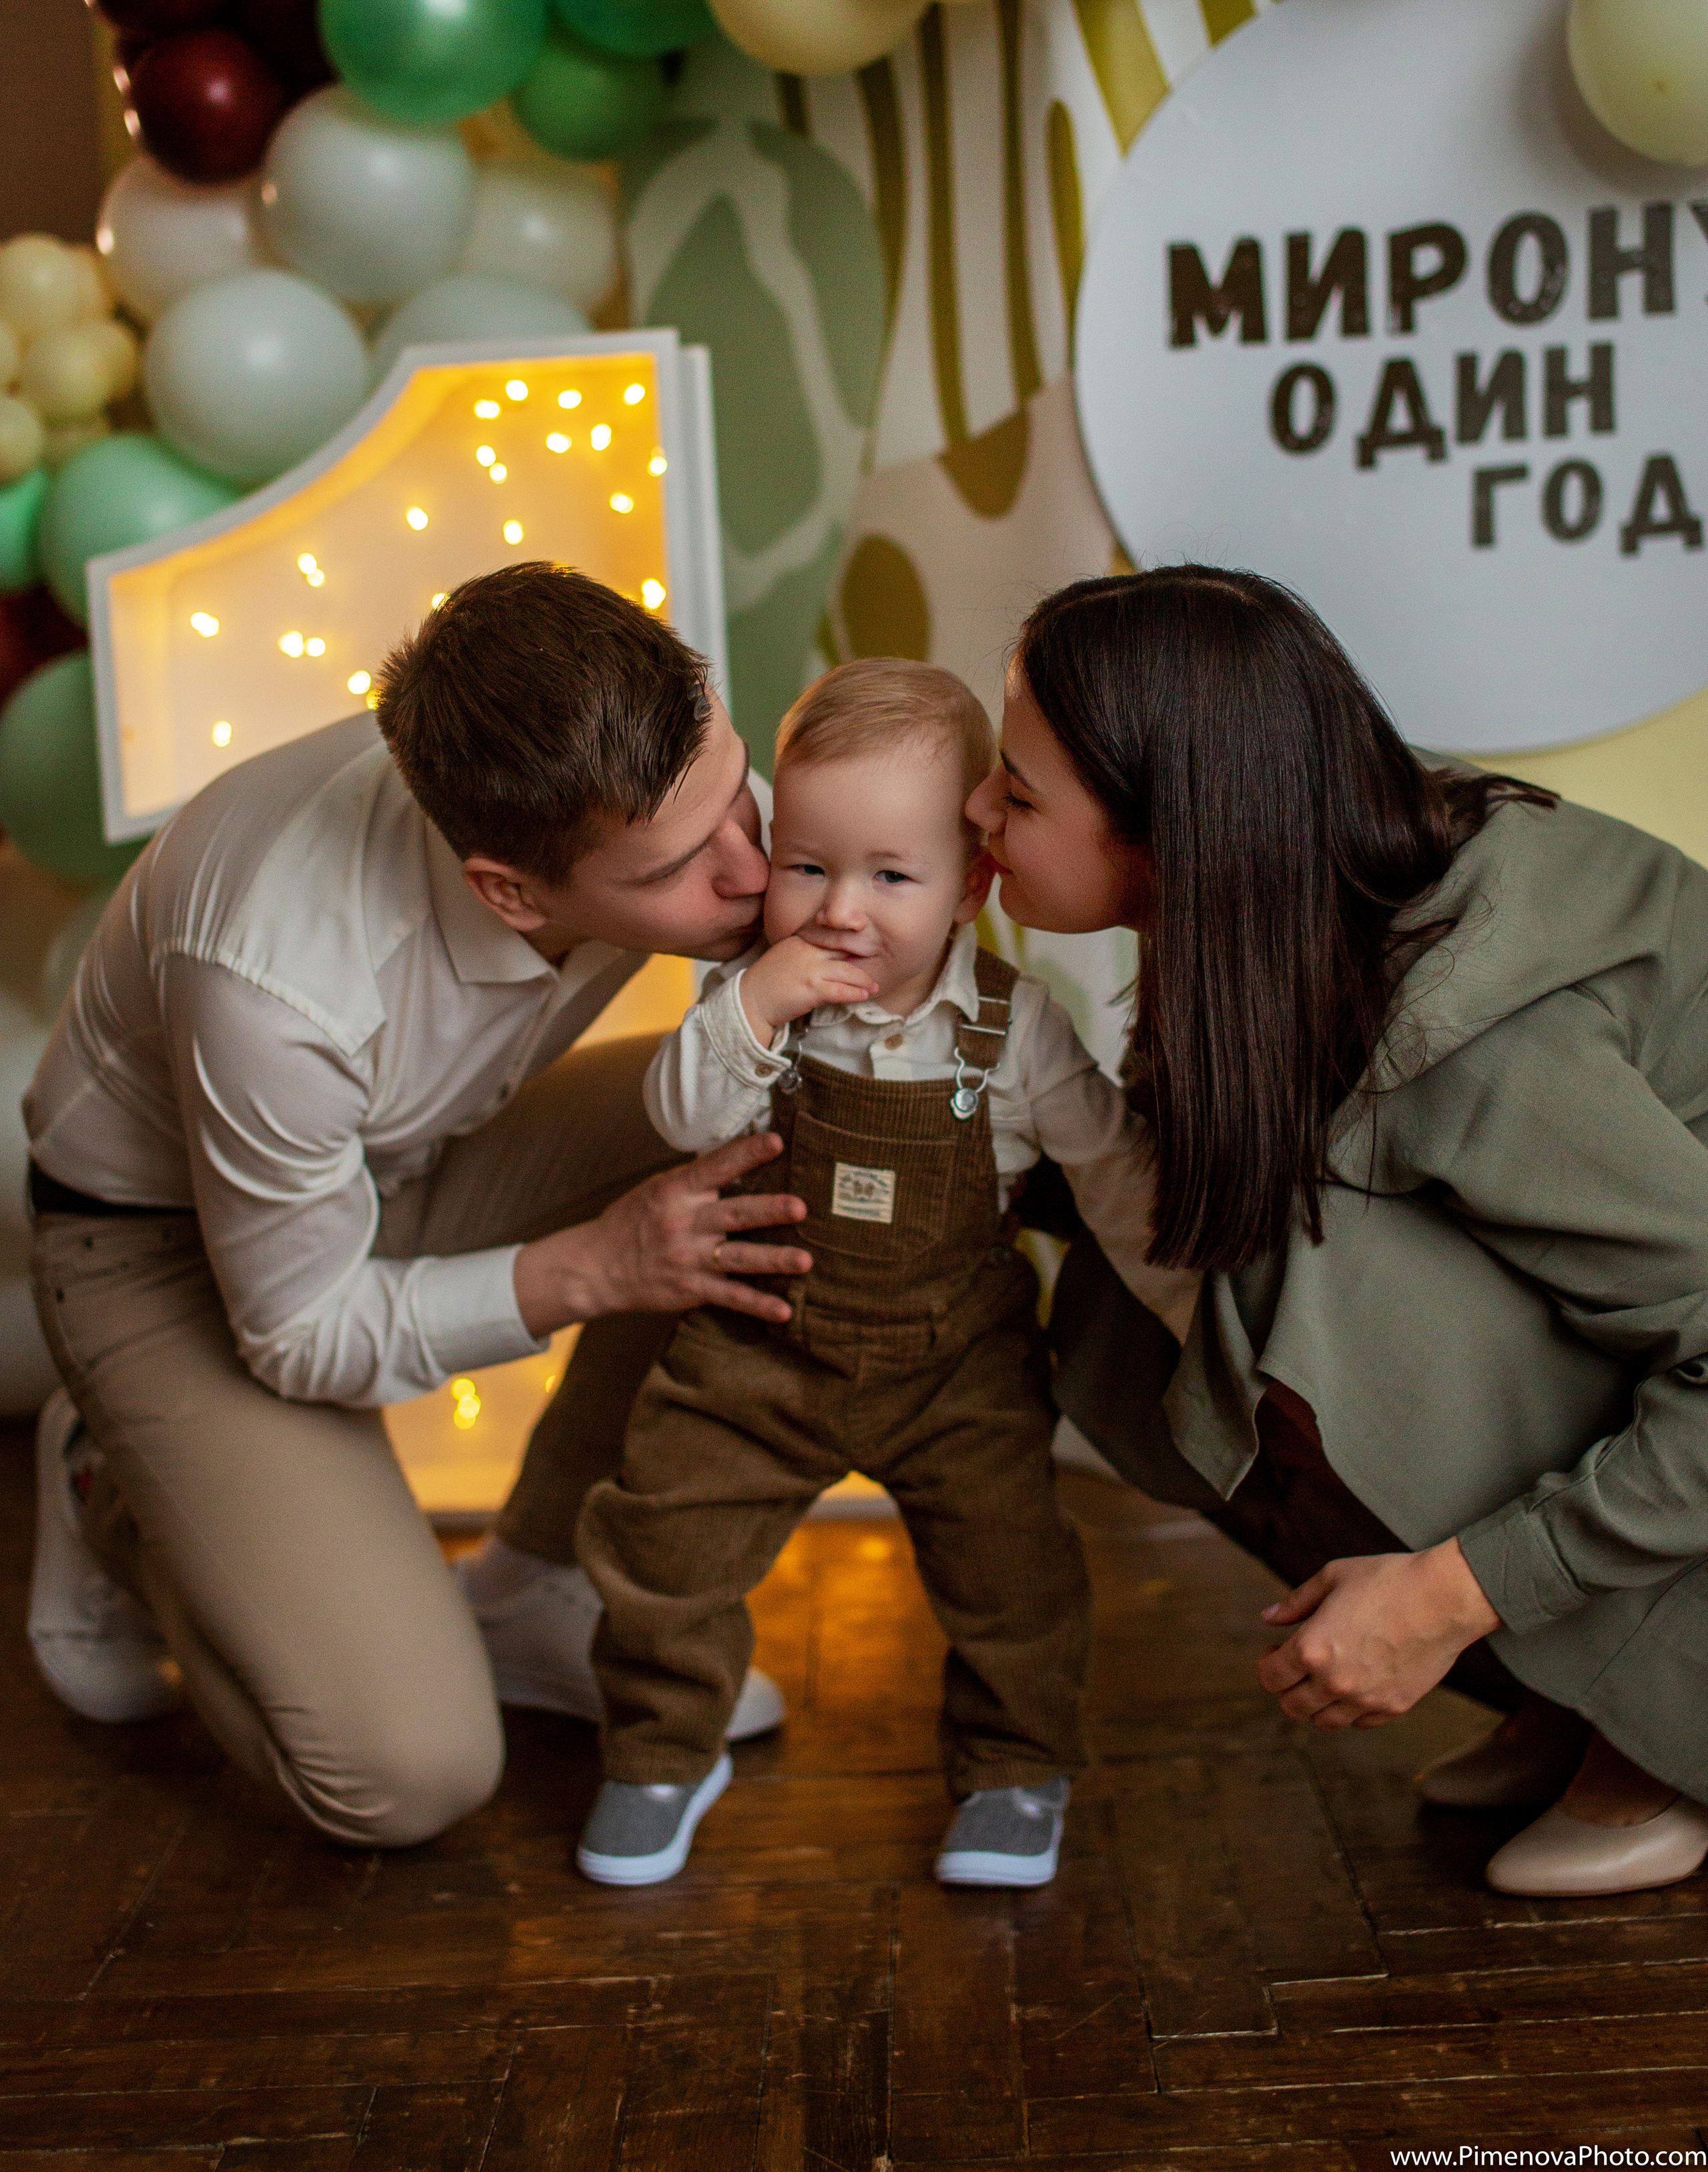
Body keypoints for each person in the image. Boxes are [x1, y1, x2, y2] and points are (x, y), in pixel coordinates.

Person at [22, 564, 819, 1848]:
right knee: (408, 1775)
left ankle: (537, 1580)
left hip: (415, 1154)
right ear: (510, 888)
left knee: (776, 1138)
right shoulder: (276, 975)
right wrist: (598, 1268)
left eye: (742, 798)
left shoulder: (650, 781)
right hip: (155, 1250)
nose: (755, 868)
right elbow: (296, 1331)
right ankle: (114, 1478)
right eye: (685, 864)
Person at [966, 566, 1708, 1902]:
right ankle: (1570, 1679)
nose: (978, 813)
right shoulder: (1289, 873)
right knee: (1171, 1278)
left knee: (1317, 1298)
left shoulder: (1483, 1041)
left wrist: (1446, 1596)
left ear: (1166, 828)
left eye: (1015, 795)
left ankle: (1663, 1726)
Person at [571, 660, 1196, 1890]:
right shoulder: (754, 1004)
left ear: (972, 885)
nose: (840, 910)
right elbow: (683, 1116)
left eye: (890, 875)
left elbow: (1118, 1178)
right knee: (662, 1542)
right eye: (807, 864)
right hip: (758, 1346)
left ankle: (1016, 1770)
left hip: (954, 1360)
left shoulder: (1012, 1031)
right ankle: (659, 1750)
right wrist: (752, 1005)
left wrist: (1195, 1317)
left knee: (1012, 1574)